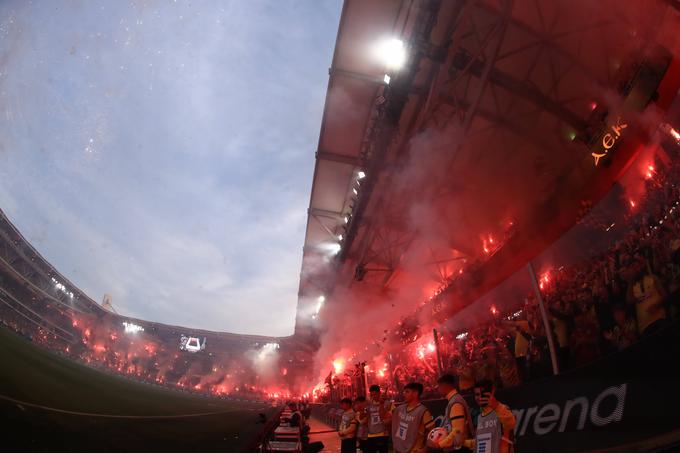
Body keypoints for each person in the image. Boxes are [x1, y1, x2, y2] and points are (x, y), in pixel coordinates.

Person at [464, 380, 516, 453]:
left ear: (491, 392)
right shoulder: (479, 417)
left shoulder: (501, 409)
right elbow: (480, 442)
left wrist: (496, 406)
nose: (479, 398)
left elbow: (511, 424)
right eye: (476, 394)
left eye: (482, 394)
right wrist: (463, 442)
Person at [433, 374, 474, 452]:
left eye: (439, 386)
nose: (438, 389)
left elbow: (457, 432)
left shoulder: (455, 403)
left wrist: (439, 444)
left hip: (460, 449)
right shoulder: (453, 400)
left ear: (445, 385)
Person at [391, 382, 434, 453]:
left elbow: (432, 431)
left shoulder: (423, 411)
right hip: (399, 449)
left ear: (415, 393)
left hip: (414, 450)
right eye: (404, 391)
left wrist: (425, 449)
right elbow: (387, 418)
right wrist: (382, 403)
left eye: (407, 392)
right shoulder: (400, 408)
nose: (404, 394)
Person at [364, 384, 394, 453]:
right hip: (371, 434)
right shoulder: (369, 404)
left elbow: (391, 418)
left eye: (375, 394)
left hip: (382, 434)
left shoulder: (388, 404)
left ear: (379, 393)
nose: (373, 397)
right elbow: (366, 417)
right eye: (371, 395)